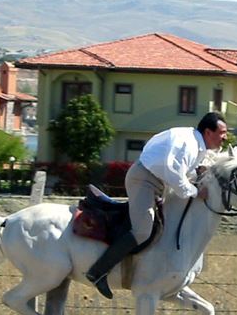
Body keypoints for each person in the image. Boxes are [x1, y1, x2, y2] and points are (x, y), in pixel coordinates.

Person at [85, 112, 228, 299]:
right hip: (143, 180)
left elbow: (183, 170)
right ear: (208, 132)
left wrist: (197, 172)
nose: (225, 137)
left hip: (155, 181)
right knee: (142, 230)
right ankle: (97, 272)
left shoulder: (196, 144)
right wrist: (195, 192)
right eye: (222, 132)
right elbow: (176, 176)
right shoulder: (189, 144)